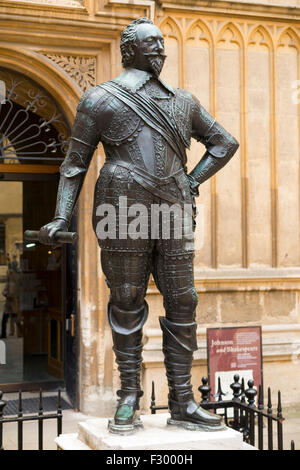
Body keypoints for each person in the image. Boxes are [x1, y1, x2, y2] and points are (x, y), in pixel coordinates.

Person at [39, 18, 239, 433]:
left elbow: (224, 142)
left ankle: (182, 399)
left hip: (174, 208)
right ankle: (129, 395)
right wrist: (61, 215)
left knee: (183, 299)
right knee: (127, 298)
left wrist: (191, 179)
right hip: (122, 206)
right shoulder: (100, 99)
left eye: (163, 43)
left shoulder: (183, 101)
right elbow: (74, 165)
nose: (161, 50)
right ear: (128, 50)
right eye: (151, 43)